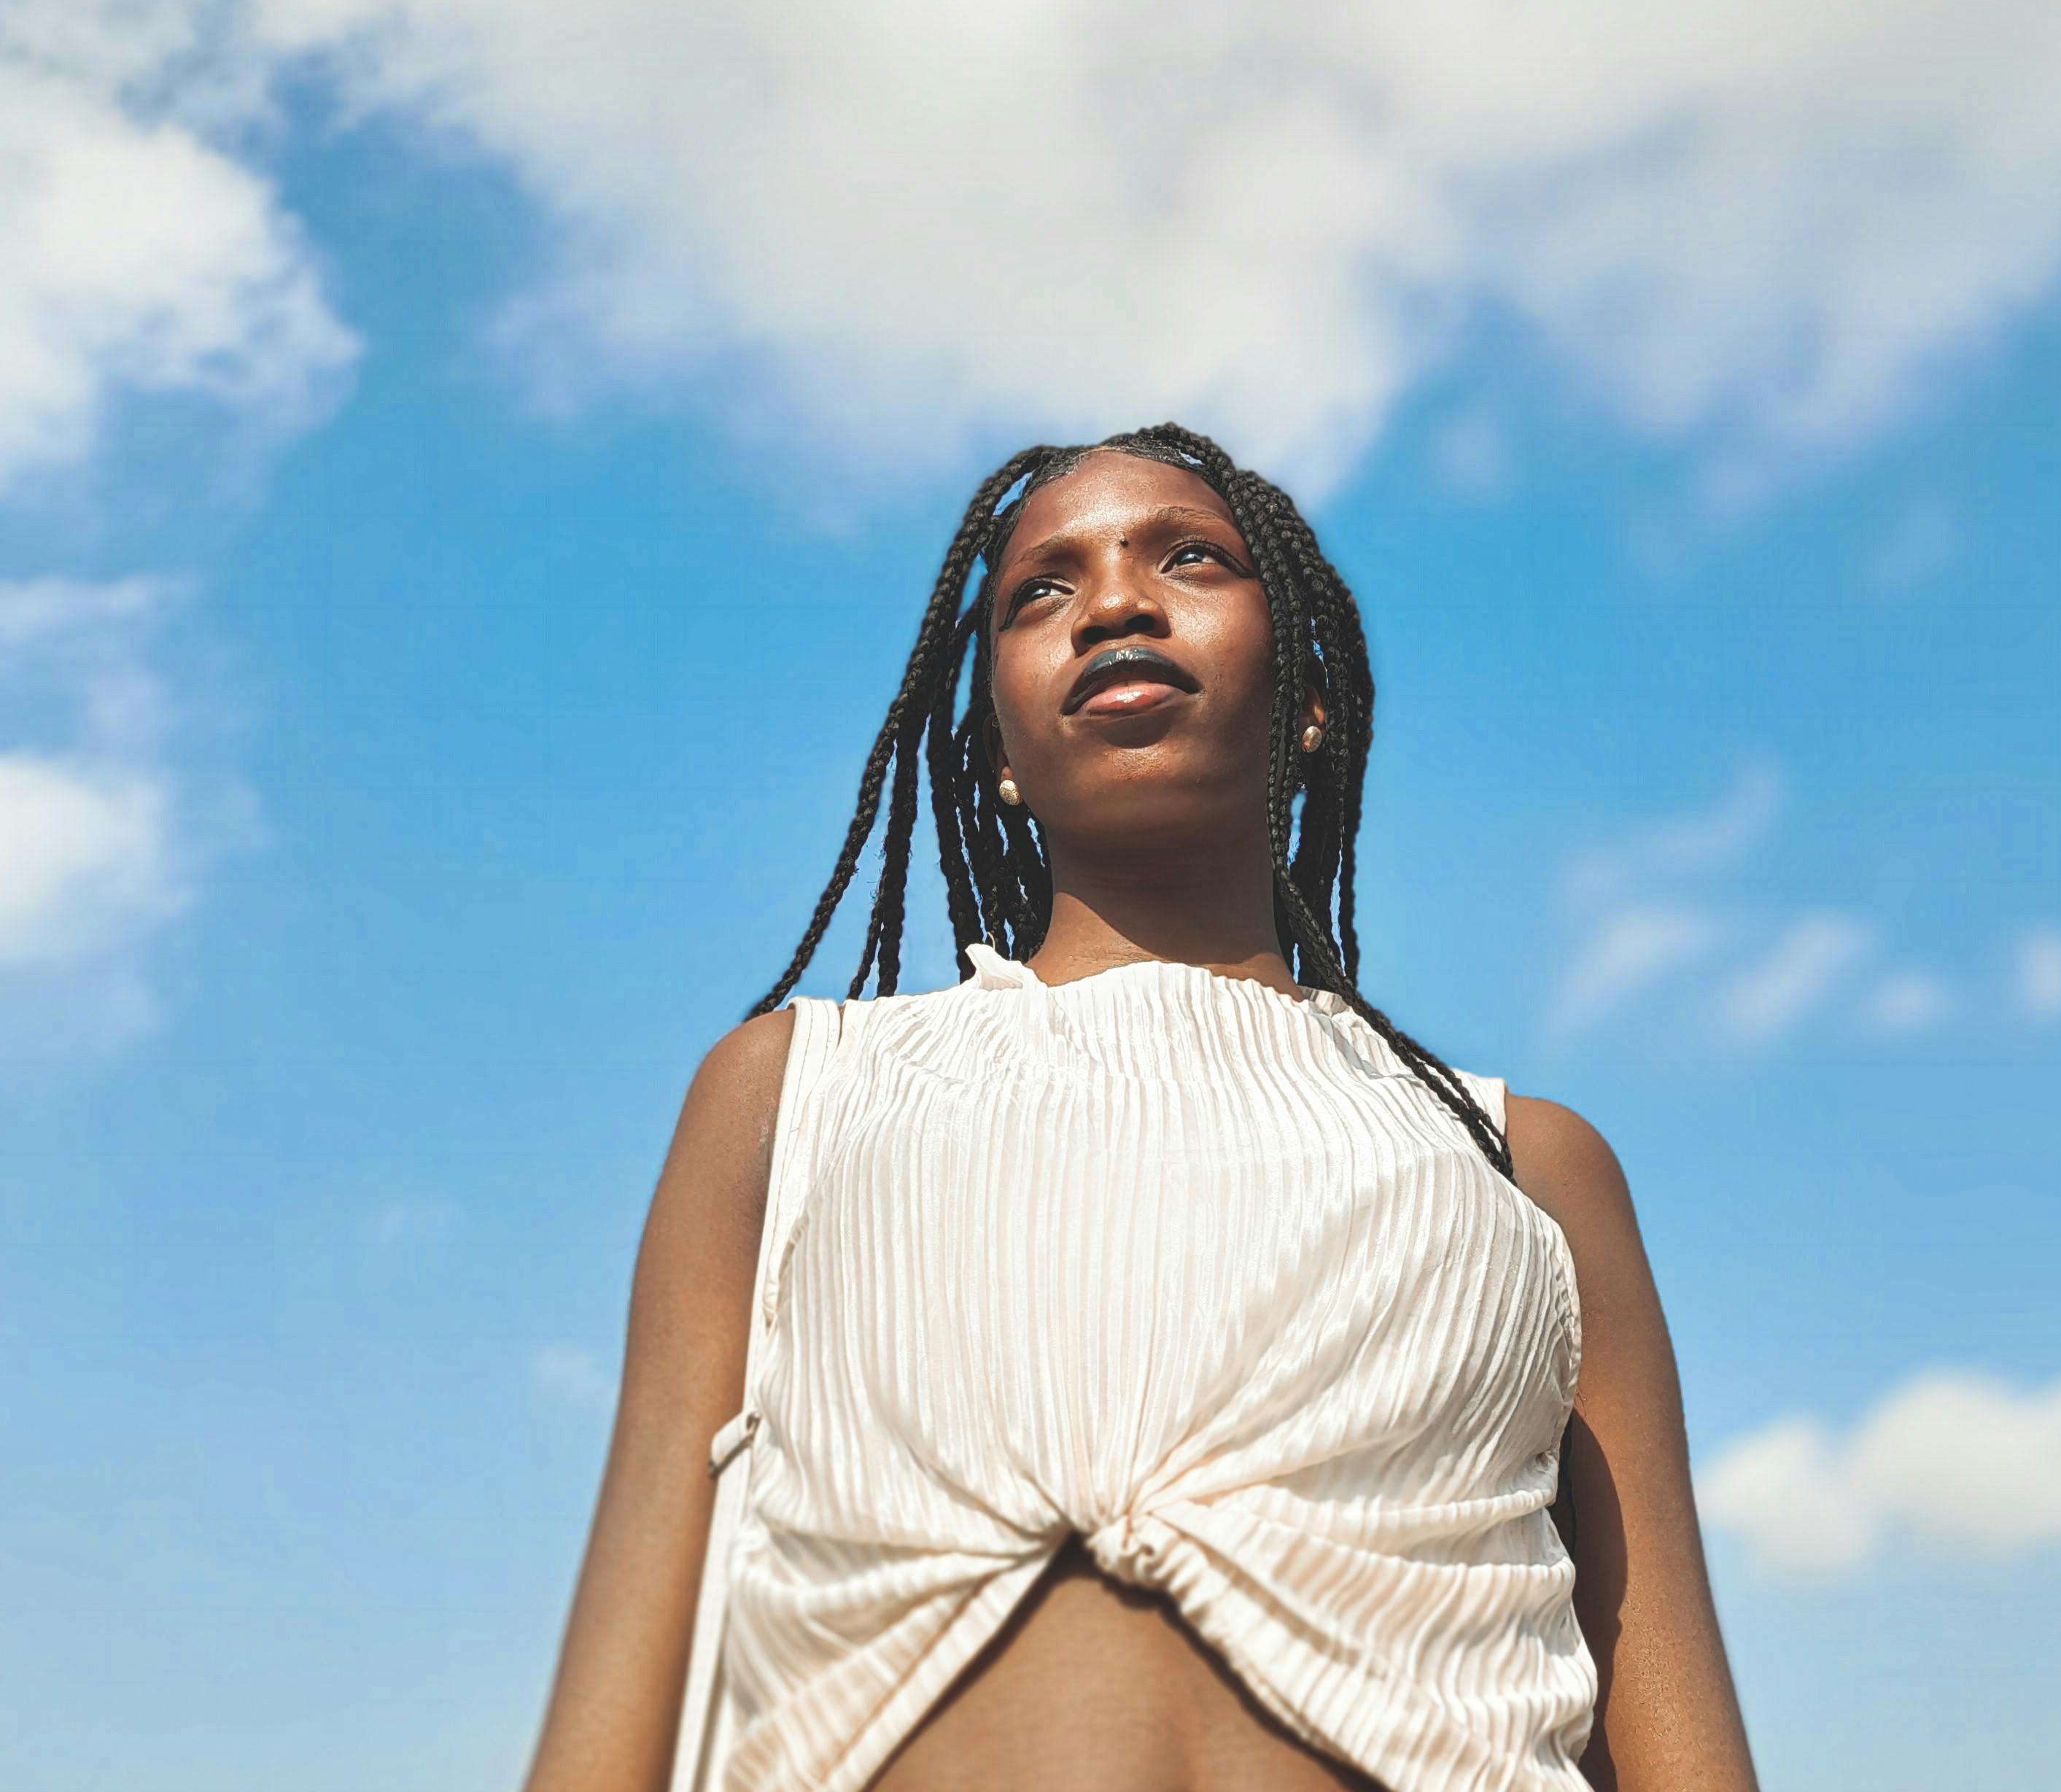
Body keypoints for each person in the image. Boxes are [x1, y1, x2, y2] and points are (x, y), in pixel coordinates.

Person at [521, 425, 1760, 1792]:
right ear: (993, 738)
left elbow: (1680, 1728)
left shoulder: (1525, 1165)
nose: (1114, 601)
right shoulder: (791, 1092)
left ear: (1309, 700)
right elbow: (615, 1703)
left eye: (1189, 557)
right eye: (1041, 589)